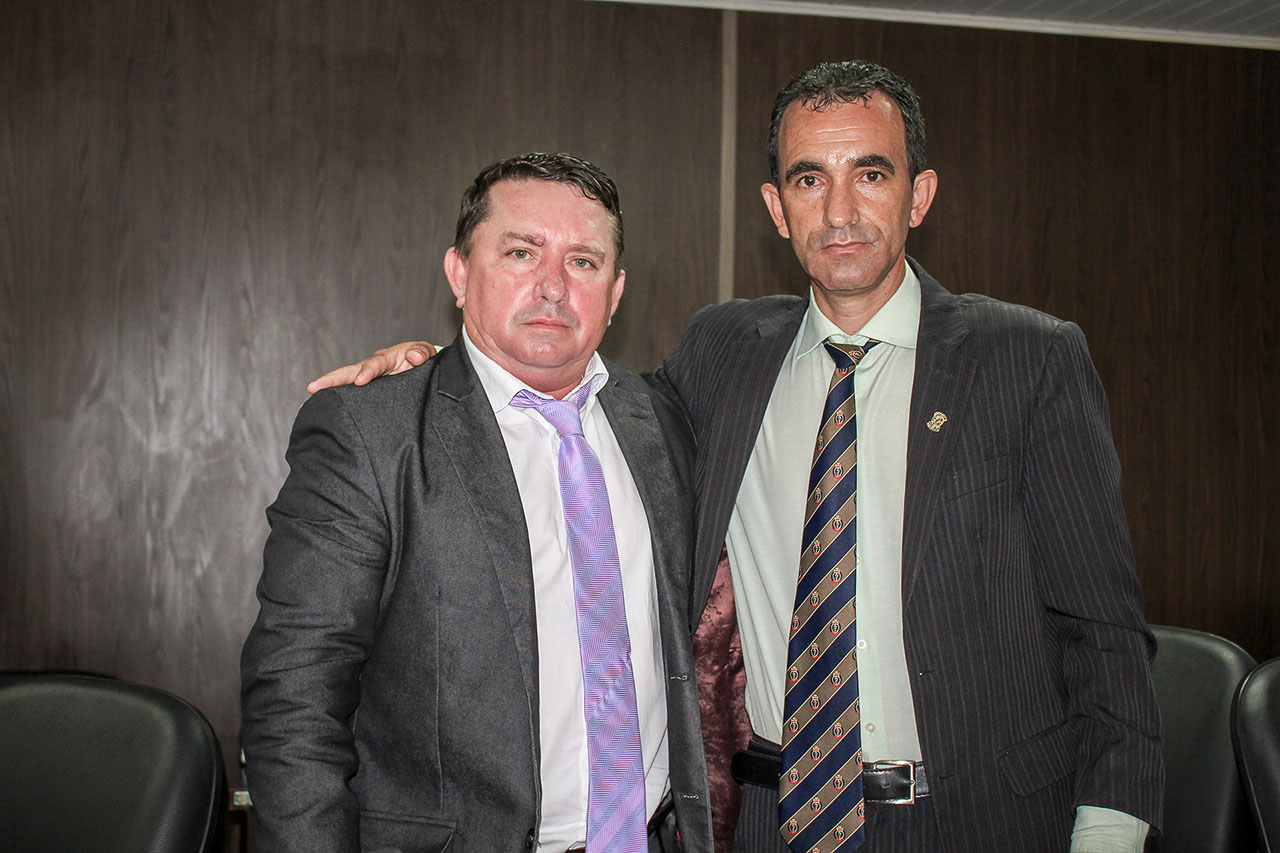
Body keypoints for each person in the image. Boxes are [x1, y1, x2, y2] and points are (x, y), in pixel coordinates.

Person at [312, 62, 1163, 853]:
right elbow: (583, 407)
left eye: (870, 174)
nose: (839, 211)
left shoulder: (1029, 359)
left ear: (920, 195)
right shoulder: (724, 353)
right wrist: (443, 374)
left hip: (980, 818)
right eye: (809, 179)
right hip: (770, 817)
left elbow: (1107, 636)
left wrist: (1110, 833)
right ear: (776, 207)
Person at [242, 152, 713, 852]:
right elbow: (294, 699)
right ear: (460, 274)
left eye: (583, 262)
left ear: (615, 293)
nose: (552, 286)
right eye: (521, 252)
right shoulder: (371, 433)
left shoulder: (665, 423)